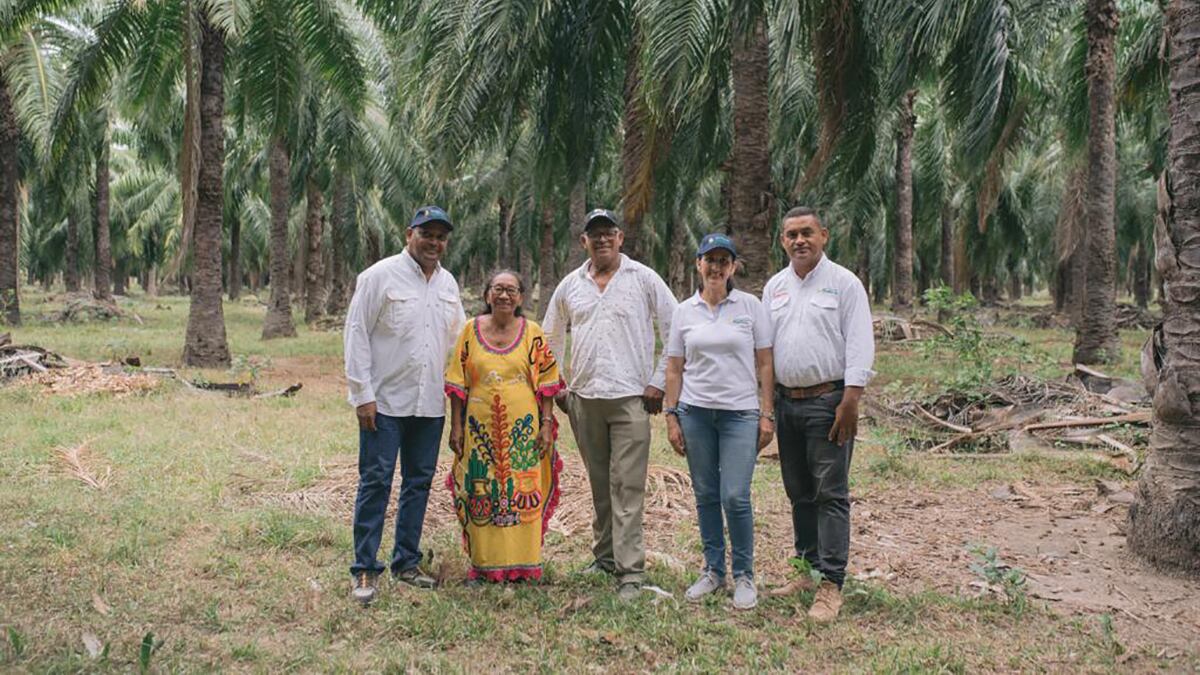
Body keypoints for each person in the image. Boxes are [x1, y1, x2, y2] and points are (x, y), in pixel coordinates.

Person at [542, 208, 677, 601]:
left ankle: (631, 572)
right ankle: (603, 558)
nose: (601, 240)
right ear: (583, 241)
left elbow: (676, 329)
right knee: (600, 485)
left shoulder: (644, 279)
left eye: (608, 234)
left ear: (620, 239)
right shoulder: (571, 285)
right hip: (584, 401)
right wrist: (560, 388)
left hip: (632, 399)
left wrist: (657, 382)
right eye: (594, 235)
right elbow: (551, 339)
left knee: (628, 486)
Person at [343, 205, 466, 605]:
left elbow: (459, 342)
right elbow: (357, 334)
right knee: (376, 481)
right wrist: (362, 395)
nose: (434, 242)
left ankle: (407, 563)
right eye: (426, 234)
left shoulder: (448, 284)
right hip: (385, 403)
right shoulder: (379, 277)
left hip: (430, 404)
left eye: (440, 237)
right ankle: (365, 567)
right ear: (408, 233)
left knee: (418, 484)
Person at [763, 206, 875, 622]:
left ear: (824, 235)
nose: (799, 241)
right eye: (791, 234)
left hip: (829, 402)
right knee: (799, 491)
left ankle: (831, 583)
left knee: (831, 493)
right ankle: (806, 569)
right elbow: (766, 353)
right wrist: (767, 406)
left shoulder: (844, 284)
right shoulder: (774, 287)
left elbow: (860, 342)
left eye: (807, 233)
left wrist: (851, 399)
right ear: (782, 240)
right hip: (786, 403)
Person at [662, 233, 775, 610]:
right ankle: (713, 570)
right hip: (695, 414)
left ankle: (744, 574)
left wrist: (766, 412)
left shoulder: (750, 307)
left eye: (723, 260)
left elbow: (764, 363)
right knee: (706, 494)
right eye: (709, 259)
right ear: (698, 264)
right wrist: (671, 415)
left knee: (735, 496)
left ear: (733, 267)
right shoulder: (684, 311)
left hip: (740, 414)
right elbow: (675, 369)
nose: (715, 266)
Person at [444, 270, 564, 582]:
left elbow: (548, 382)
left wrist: (547, 424)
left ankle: (524, 565)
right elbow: (457, 382)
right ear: (486, 295)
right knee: (480, 490)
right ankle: (484, 566)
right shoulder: (470, 331)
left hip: (524, 432)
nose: (504, 295)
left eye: (512, 290)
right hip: (479, 430)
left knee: (524, 490)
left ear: (522, 298)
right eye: (498, 288)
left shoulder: (532, 333)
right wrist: (455, 426)